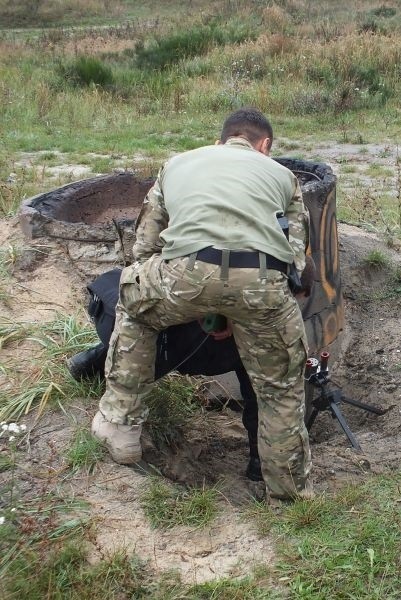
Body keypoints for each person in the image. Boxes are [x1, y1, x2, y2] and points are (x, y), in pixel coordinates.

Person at [91, 107, 314, 499]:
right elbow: (295, 260)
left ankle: (121, 426)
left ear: (220, 140)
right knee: (280, 388)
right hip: (261, 282)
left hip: (185, 274)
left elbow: (144, 247)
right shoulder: (284, 177)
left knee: (132, 298)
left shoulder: (177, 164)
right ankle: (289, 490)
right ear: (265, 146)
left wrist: (194, 295)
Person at [69, 268, 264, 482]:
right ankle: (261, 463)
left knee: (139, 303)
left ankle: (102, 382)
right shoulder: (272, 298)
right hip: (188, 345)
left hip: (150, 335)